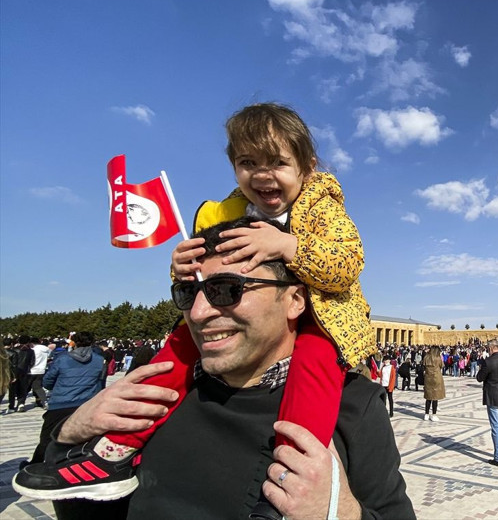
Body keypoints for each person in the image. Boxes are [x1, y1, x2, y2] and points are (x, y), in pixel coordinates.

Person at [14, 103, 377, 517]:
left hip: (320, 317)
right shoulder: (229, 209)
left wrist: (288, 246)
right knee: (175, 354)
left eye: (277, 162)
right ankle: (115, 452)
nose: (262, 174)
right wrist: (181, 263)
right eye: (247, 162)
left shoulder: (321, 203)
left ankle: (286, 481)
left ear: (307, 167)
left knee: (313, 376)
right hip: (251, 312)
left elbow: (349, 263)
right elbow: (205, 270)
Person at [14, 218, 414, 519]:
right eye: (188, 293)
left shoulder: (352, 406)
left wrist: (342, 511)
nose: (200, 312)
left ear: (295, 301)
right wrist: (68, 436)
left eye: (227, 290)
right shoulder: (154, 398)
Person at [22, 331, 106, 466]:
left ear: (74, 342)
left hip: (60, 404)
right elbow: (100, 383)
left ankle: (35, 465)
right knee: (81, 438)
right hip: (85, 405)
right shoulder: (98, 360)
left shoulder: (63, 358)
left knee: (47, 438)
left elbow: (48, 381)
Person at [422, 346, 445, 421]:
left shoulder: (426, 357)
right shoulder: (438, 358)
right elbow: (442, 366)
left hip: (428, 378)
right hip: (436, 378)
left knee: (428, 397)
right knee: (435, 397)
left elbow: (423, 366)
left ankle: (426, 414)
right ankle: (434, 415)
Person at [28, 338, 51, 409]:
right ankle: (43, 401)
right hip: (41, 370)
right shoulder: (47, 350)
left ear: (32, 343)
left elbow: (31, 360)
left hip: (32, 370)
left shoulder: (33, 350)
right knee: (37, 387)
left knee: (26, 387)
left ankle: (20, 403)